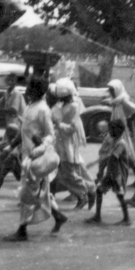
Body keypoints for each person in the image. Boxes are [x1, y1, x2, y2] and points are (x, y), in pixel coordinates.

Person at [4, 75, 68, 240]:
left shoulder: (43, 110)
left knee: (27, 193)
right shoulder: (30, 106)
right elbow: (25, 130)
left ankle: (22, 230)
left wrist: (40, 147)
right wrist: (11, 146)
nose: (26, 89)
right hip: (28, 157)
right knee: (40, 192)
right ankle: (58, 215)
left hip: (36, 159)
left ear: (36, 90)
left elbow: (50, 135)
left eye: (30, 87)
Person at [50, 77, 96, 211]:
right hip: (59, 142)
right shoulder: (62, 105)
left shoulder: (74, 106)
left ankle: (86, 192)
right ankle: (85, 192)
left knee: (69, 173)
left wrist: (58, 125)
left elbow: (72, 128)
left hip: (67, 143)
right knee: (63, 173)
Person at [85, 119, 132, 225]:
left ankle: (127, 219)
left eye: (111, 129)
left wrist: (100, 168)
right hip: (111, 172)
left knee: (119, 195)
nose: (109, 131)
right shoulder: (114, 140)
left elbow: (113, 158)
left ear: (118, 130)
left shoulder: (121, 143)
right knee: (100, 191)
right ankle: (97, 216)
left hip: (117, 174)